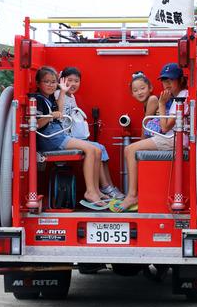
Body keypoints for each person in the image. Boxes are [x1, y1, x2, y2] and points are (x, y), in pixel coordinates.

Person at [112, 63, 188, 212]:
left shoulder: (182, 96)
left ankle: (133, 194)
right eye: (164, 81)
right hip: (172, 137)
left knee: (130, 150)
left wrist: (161, 103)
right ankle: (133, 193)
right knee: (130, 150)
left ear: (179, 80)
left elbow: (165, 127)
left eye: (170, 81)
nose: (166, 84)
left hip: (175, 139)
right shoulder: (179, 95)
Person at [32, 66, 106, 207]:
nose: (50, 85)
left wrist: (63, 92)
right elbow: (36, 125)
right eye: (46, 82)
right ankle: (90, 192)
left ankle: (96, 190)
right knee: (91, 150)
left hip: (57, 135)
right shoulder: (38, 99)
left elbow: (59, 111)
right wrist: (49, 116)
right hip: (50, 138)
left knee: (97, 150)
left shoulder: (50, 98)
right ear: (38, 83)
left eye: (53, 82)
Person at [57, 67, 124, 199]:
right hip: (65, 137)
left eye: (76, 81)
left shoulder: (72, 97)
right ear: (62, 80)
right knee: (95, 148)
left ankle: (108, 186)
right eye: (69, 80)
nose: (73, 83)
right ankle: (105, 187)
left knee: (101, 147)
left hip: (73, 136)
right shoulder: (59, 95)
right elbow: (60, 116)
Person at [129, 71, 160, 138]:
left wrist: (141, 141)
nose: (139, 92)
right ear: (132, 94)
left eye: (142, 88)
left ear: (150, 88)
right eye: (135, 90)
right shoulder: (146, 103)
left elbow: (145, 123)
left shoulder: (152, 99)